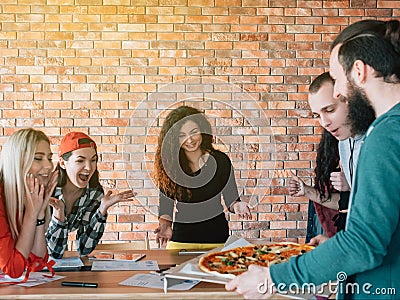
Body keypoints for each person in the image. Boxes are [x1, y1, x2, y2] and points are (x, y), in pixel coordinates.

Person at [226, 19, 400, 299]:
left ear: (359, 71)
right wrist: (335, 244)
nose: (339, 90)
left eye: (338, 77)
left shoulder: (386, 135)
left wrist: (274, 277)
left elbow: (363, 245)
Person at [153, 106, 252, 250]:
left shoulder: (221, 161)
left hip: (216, 238)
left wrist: (238, 206)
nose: (190, 139)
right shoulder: (171, 164)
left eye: (194, 132)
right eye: (182, 135)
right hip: (182, 239)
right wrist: (165, 226)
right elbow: (166, 206)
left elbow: (231, 199)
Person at [289, 72, 375, 237]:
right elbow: (351, 205)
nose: (324, 123)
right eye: (317, 116)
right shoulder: (343, 142)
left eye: (329, 110)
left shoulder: (378, 138)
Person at [46, 132, 136, 258]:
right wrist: (59, 216)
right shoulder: (46, 190)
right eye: (80, 160)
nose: (89, 167)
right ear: (62, 163)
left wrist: (101, 211)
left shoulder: (94, 193)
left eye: (93, 160)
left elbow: (84, 249)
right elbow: (53, 252)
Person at [0, 128, 58, 279]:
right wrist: (31, 214)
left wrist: (39, 213)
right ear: (18, 162)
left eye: (49, 158)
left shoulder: (28, 197)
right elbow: (13, 269)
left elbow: (38, 263)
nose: (49, 166)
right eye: (38, 158)